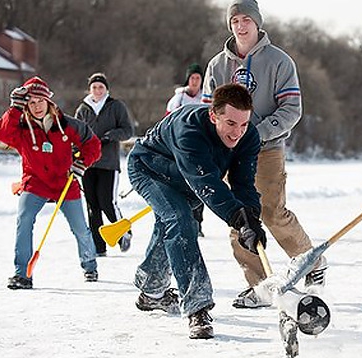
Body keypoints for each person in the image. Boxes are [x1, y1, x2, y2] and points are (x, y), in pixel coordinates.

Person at [202, 0, 327, 309]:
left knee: (271, 212)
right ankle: (259, 286)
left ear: (257, 22)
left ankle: (312, 261)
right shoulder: (218, 65)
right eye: (235, 20)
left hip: (267, 148)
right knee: (240, 217)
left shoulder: (279, 61)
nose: (240, 25)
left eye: (246, 19)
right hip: (229, 149)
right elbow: (206, 110)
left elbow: (291, 109)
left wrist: (257, 132)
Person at [128, 83, 265, 339]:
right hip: (150, 169)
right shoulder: (189, 129)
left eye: (244, 124)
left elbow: (244, 183)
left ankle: (151, 291)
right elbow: (206, 183)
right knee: (180, 220)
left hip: (186, 178)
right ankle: (197, 306)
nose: (238, 133)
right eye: (231, 123)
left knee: (171, 224)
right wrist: (237, 217)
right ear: (213, 115)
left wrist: (251, 219)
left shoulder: (248, 137)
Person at [0, 76, 102, 288]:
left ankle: (89, 264)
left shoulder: (68, 124)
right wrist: (15, 109)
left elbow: (93, 145)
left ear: (49, 101)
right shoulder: (21, 127)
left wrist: (81, 164)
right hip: (36, 182)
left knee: (80, 228)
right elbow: (0, 133)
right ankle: (22, 273)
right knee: (24, 220)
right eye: (31, 102)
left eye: (40, 101)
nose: (37, 106)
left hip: (65, 181)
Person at [75, 73, 135, 256]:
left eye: (100, 87)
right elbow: (75, 133)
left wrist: (110, 136)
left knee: (107, 202)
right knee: (92, 206)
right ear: (90, 89)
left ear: (106, 89)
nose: (97, 90)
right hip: (87, 164)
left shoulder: (116, 106)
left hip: (108, 163)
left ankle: (123, 233)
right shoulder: (83, 109)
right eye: (94, 87)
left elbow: (127, 130)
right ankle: (99, 247)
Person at [165, 63, 206, 237]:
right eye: (193, 78)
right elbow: (167, 121)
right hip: (180, 144)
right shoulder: (178, 99)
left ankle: (198, 222)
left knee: (200, 181)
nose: (195, 81)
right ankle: (182, 219)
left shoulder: (206, 97)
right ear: (188, 80)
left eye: (198, 78)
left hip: (200, 145)